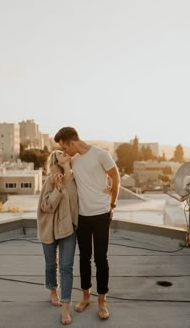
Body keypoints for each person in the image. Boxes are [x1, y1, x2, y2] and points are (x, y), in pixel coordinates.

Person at [54, 127, 120, 320]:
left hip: (101, 214)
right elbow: (60, 167)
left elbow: (115, 177)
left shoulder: (101, 154)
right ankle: (85, 297)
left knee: (101, 258)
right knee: (84, 258)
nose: (64, 151)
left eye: (64, 147)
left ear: (71, 142)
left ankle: (101, 301)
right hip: (82, 216)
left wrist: (113, 202)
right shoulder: (73, 160)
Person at [37, 149, 78, 325]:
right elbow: (46, 206)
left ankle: (65, 308)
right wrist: (57, 190)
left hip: (69, 228)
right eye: (61, 152)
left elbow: (76, 203)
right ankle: (53, 289)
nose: (65, 152)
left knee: (66, 267)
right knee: (50, 263)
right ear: (55, 159)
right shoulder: (50, 180)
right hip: (49, 228)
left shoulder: (75, 179)